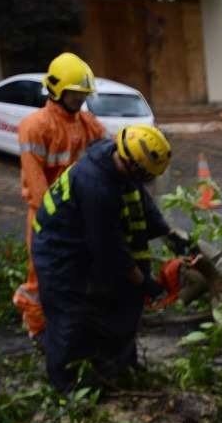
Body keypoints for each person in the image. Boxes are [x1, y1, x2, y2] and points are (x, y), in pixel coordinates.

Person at [30, 124, 193, 390]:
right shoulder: (96, 186)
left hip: (89, 243)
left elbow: (141, 202)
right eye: (146, 175)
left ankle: (120, 368)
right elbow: (109, 249)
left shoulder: (119, 160)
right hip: (59, 251)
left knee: (119, 305)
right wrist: (145, 283)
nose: (147, 181)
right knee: (71, 319)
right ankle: (66, 388)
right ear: (134, 166)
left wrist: (169, 234)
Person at [13, 52, 106, 339]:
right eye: (75, 93)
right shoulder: (36, 126)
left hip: (78, 210)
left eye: (83, 94)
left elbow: (106, 157)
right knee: (42, 272)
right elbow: (36, 180)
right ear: (57, 90)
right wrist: (51, 216)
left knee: (80, 269)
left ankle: (75, 322)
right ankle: (37, 327)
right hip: (46, 214)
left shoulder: (88, 123)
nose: (80, 99)